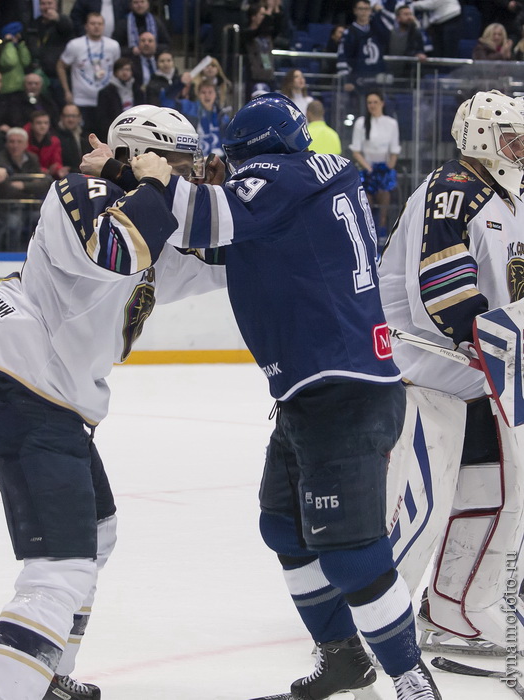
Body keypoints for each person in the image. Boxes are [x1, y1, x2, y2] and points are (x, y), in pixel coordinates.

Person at [85, 92, 441, 700]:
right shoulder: (313, 184)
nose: (220, 171)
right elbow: (211, 242)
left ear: (251, 153)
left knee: (352, 552)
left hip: (341, 393)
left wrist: (129, 171)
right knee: (284, 526)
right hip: (318, 392)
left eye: (227, 161)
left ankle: (413, 680)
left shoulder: (280, 176)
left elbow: (204, 219)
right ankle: (343, 661)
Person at [0, 104, 226, 700]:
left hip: (51, 400)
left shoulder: (153, 216)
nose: (187, 177)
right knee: (60, 567)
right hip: (22, 392)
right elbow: (114, 252)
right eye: (176, 163)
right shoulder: (82, 190)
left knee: (96, 536)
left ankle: (46, 677)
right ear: (136, 159)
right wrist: (145, 181)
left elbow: (221, 261)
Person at [379, 89, 524, 652]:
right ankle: (373, 622)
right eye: (512, 137)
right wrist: (491, 342)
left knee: (491, 489)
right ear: (483, 137)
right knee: (415, 507)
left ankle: (451, 609)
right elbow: (441, 289)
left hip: (475, 378)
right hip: (424, 372)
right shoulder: (452, 190)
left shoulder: (509, 196)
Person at [56, 11, 121, 133]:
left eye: (99, 23)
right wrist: (67, 91)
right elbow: (60, 66)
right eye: (93, 23)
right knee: (85, 134)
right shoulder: (75, 45)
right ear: (86, 26)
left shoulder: (113, 46)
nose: (96, 26)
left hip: (106, 100)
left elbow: (118, 68)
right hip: (82, 99)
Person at [349, 90, 400, 238]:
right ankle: (368, 236)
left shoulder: (391, 123)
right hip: (367, 169)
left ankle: (383, 235)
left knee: (384, 205)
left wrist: (388, 168)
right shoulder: (360, 123)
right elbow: (356, 151)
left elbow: (394, 151)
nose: (372, 105)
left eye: (375, 102)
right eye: (369, 102)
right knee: (367, 207)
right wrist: (369, 168)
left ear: (382, 103)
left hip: (384, 170)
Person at [336, 0, 392, 94]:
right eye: (361, 9)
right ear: (355, 11)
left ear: (371, 11)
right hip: (357, 81)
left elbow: (393, 25)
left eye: (367, 9)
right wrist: (346, 80)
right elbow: (342, 57)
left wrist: (379, 11)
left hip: (377, 79)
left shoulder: (377, 29)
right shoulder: (349, 33)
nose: (364, 12)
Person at [25, 0, 74, 105]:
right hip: (39, 73)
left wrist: (57, 19)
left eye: (49, 3)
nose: (46, 7)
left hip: (56, 76)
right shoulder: (35, 23)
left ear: (56, 5)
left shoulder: (62, 21)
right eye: (43, 4)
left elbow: (68, 29)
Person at [96, 56, 143, 140]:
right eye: (121, 69)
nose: (125, 72)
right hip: (114, 133)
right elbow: (102, 119)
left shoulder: (138, 91)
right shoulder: (105, 93)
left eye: (127, 69)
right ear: (115, 72)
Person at [23, 109, 69, 180]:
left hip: (47, 177)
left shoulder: (54, 141)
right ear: (31, 125)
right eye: (39, 123)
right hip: (27, 176)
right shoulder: (23, 140)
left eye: (46, 123)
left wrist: (58, 169)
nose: (43, 126)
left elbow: (56, 162)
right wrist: (42, 170)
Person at [55, 103, 89, 173]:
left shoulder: (85, 136)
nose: (70, 119)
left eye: (74, 116)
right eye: (67, 116)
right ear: (61, 117)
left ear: (79, 118)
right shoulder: (54, 136)